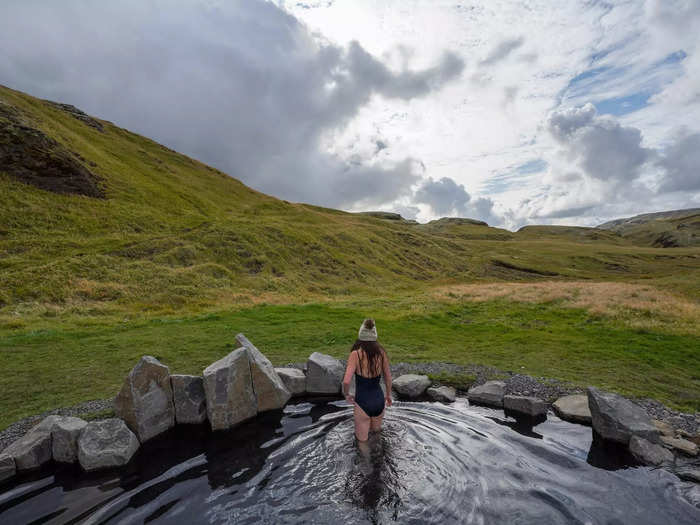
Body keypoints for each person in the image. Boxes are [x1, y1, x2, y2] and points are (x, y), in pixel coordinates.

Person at [342, 318, 392, 441]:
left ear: (361, 335)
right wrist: (388, 395)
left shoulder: (355, 354)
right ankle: (379, 459)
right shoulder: (381, 353)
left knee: (362, 443)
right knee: (376, 437)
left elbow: (346, 381)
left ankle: (366, 459)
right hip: (379, 400)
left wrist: (347, 395)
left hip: (362, 401)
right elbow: (388, 377)